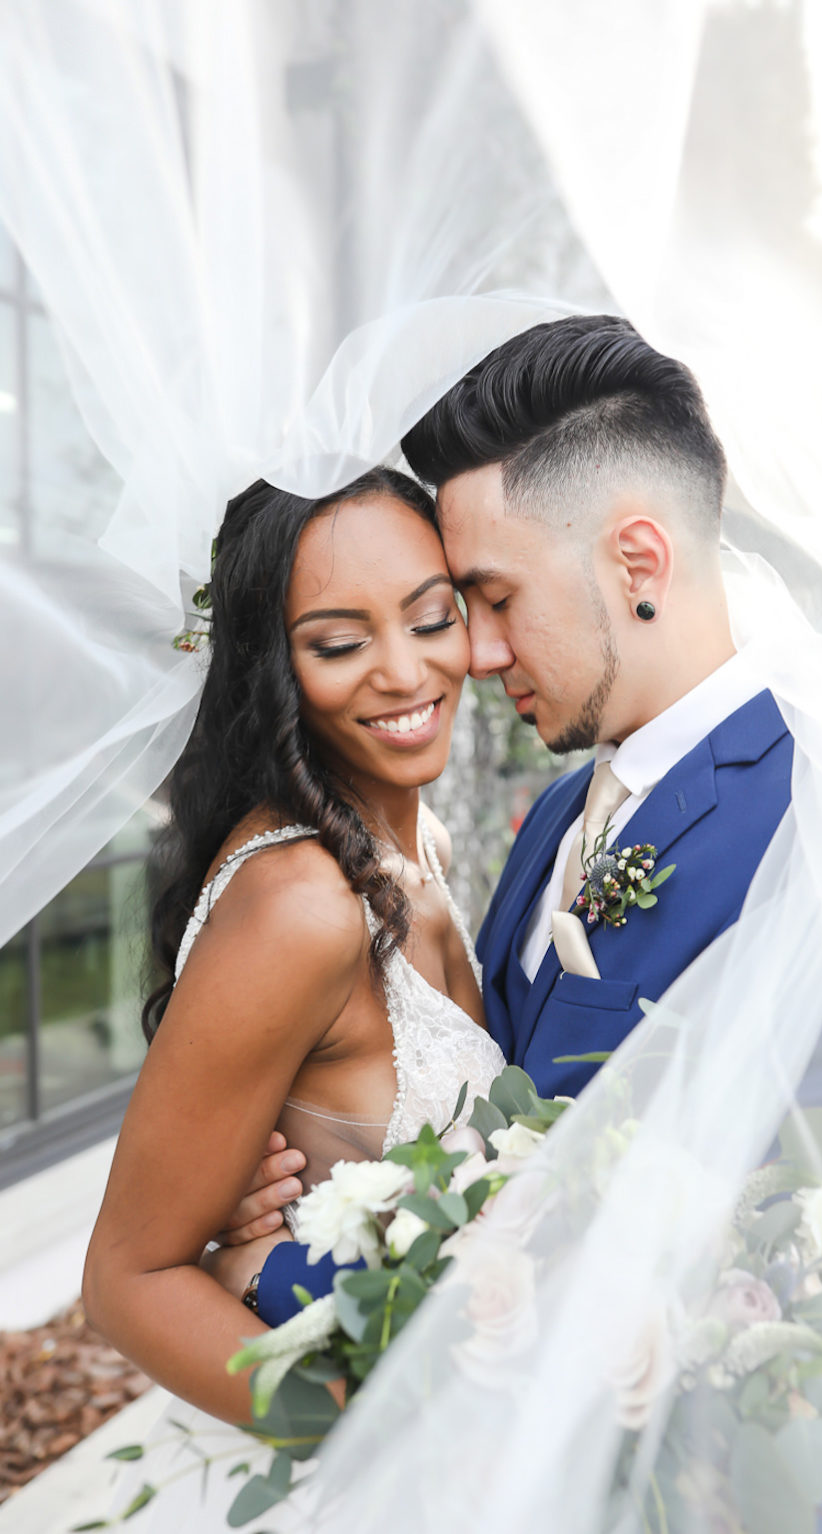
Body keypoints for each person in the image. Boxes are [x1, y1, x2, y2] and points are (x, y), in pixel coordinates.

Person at [241, 316, 822, 1349]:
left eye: (494, 597)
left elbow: (705, 1279)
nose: (475, 656)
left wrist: (262, 1266)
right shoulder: (559, 816)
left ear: (636, 562)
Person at [81, 467, 505, 1422]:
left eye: (433, 620)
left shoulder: (420, 846)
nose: (403, 672)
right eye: (341, 643)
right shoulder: (304, 908)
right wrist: (380, 1440)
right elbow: (126, 1281)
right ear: (273, 667)